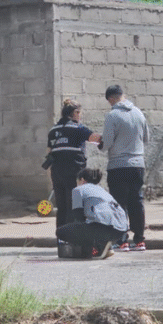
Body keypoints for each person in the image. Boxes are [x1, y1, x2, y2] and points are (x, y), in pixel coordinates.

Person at [100, 84, 150, 251]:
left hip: (118, 165)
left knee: (119, 203)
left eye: (109, 102)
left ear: (112, 98)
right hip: (138, 165)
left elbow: (106, 142)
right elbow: (147, 138)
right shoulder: (139, 113)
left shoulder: (112, 115)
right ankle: (139, 240)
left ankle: (121, 241)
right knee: (137, 201)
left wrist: (99, 144)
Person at [46, 99, 101, 231]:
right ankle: (75, 238)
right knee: (74, 205)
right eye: (80, 113)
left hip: (57, 172)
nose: (80, 116)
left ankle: (61, 238)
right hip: (74, 172)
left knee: (62, 207)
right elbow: (96, 139)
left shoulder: (53, 130)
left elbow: (49, 153)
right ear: (75, 113)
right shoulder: (78, 128)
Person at [56, 168, 128, 259]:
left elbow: (78, 217)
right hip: (120, 230)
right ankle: (105, 247)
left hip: (104, 229)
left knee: (62, 231)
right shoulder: (102, 190)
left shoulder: (78, 190)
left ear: (82, 179)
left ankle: (91, 250)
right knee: (94, 224)